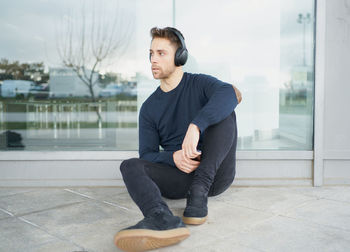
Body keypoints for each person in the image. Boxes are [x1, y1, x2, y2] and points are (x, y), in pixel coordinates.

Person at [114, 27, 242, 252]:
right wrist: (173, 157)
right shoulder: (149, 108)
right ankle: (161, 218)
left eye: (161, 53)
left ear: (180, 56)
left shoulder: (200, 84)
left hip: (214, 176)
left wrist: (196, 126)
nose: (153, 59)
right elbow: (148, 155)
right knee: (130, 166)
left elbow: (232, 94)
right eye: (151, 53)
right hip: (180, 178)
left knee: (225, 110)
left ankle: (199, 193)